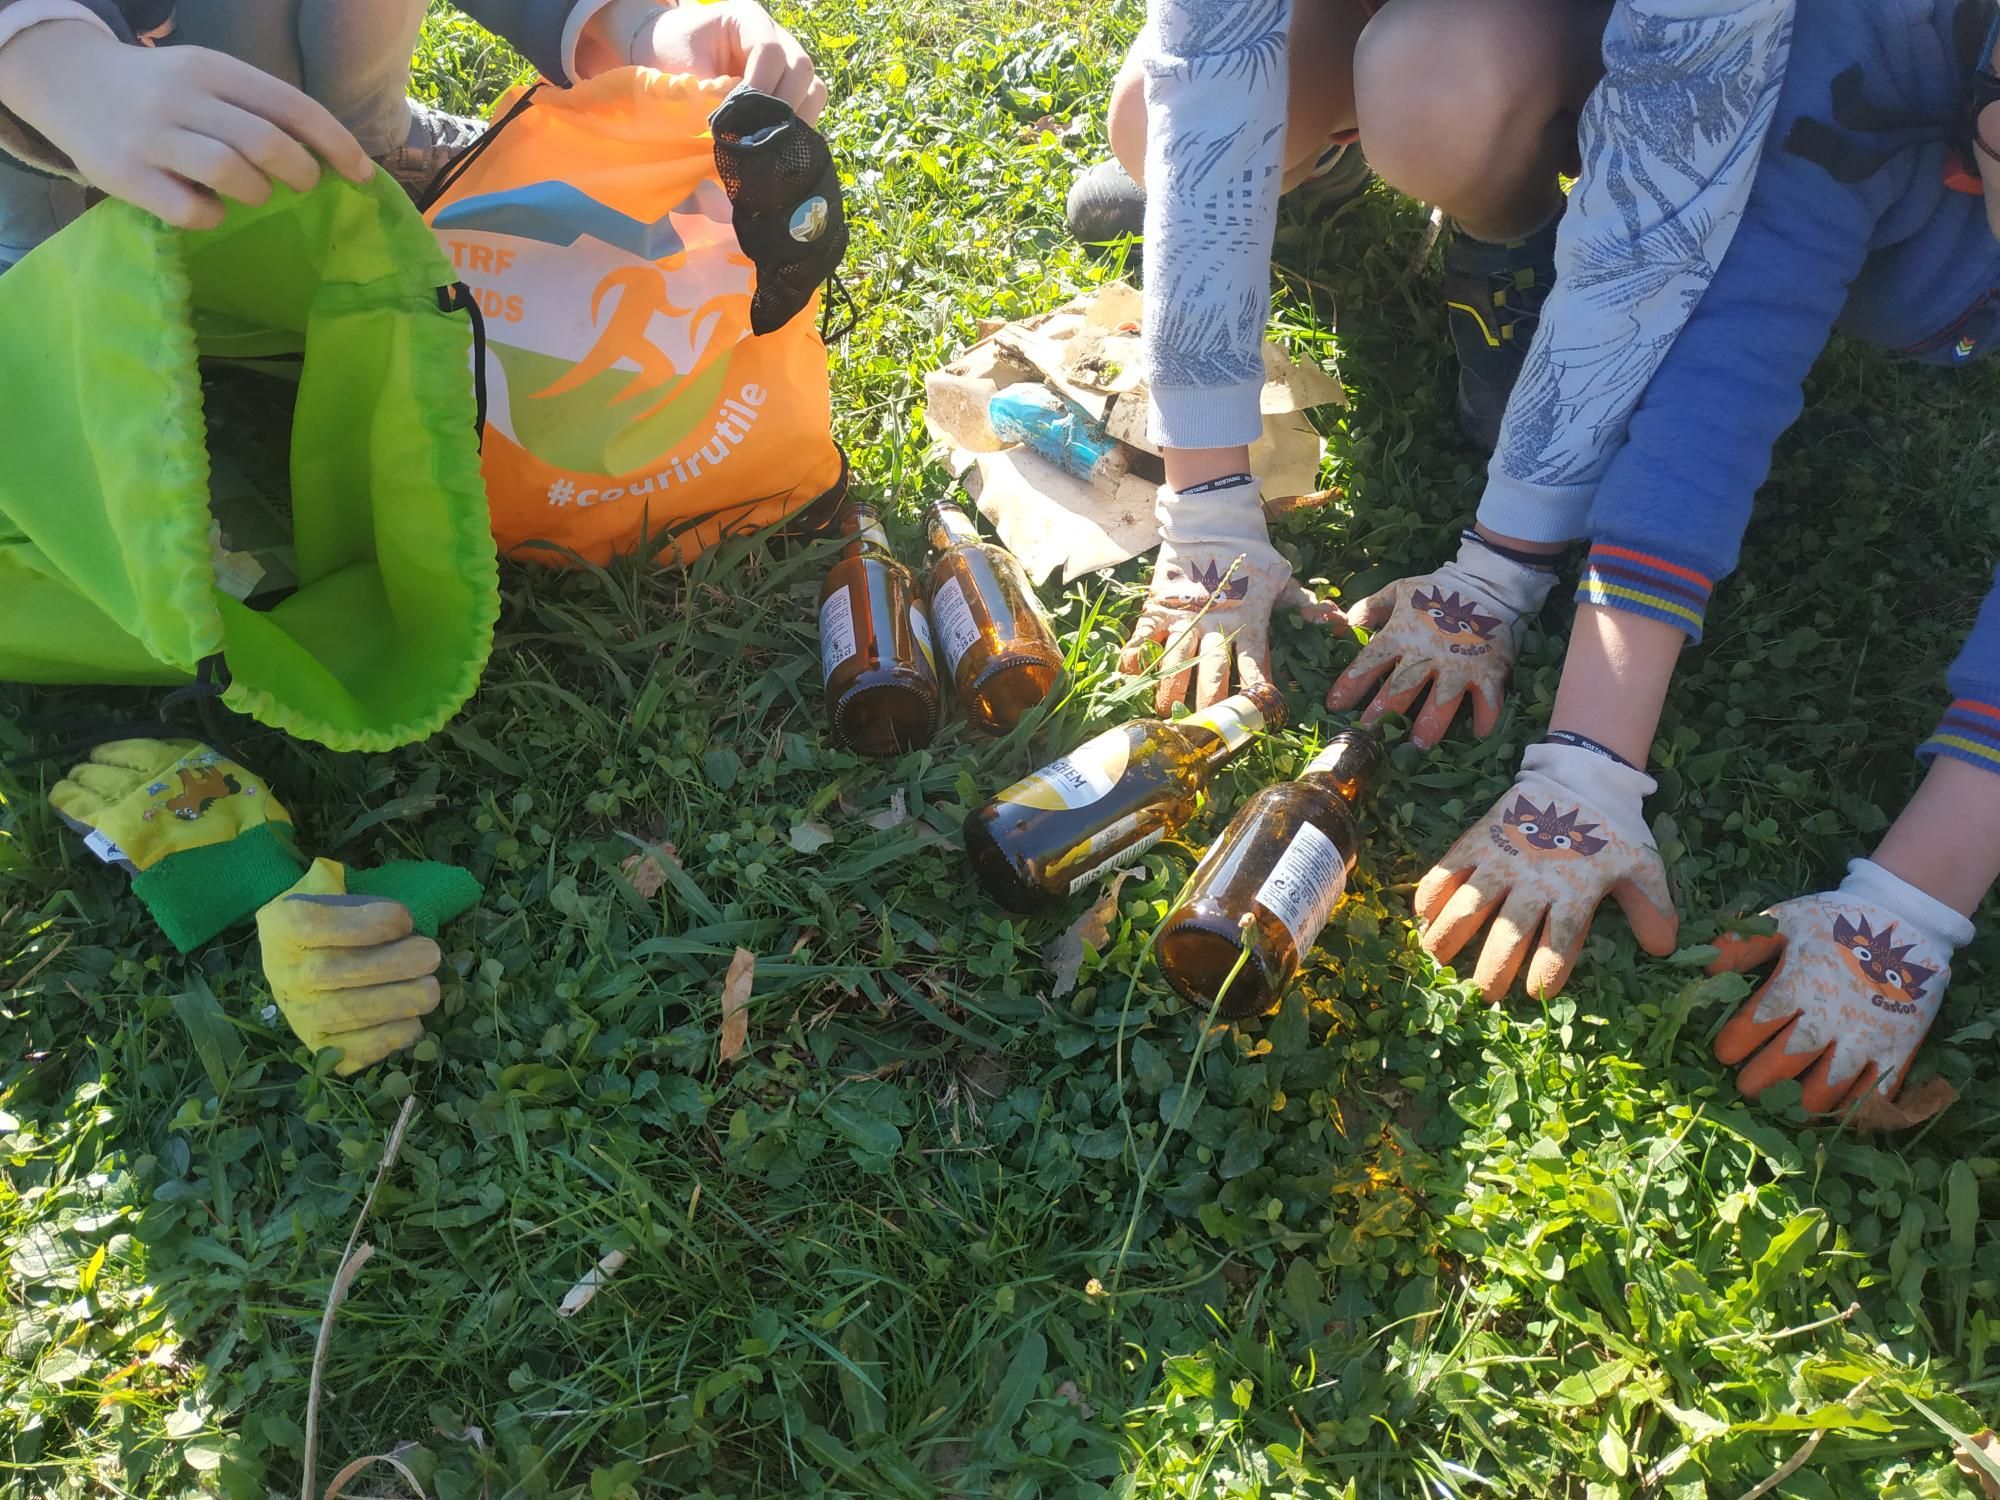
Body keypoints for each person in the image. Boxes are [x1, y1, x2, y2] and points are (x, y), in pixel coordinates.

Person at [1408, 0, 2000, 1122]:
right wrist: (1586, 758)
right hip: (1898, 195)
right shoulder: (1868, 37)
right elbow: (1723, 375)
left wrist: (1920, 900)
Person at [1099, 0, 1795, 722]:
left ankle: (1506, 213)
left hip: (1596, 41)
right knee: (1145, 122)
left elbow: (1659, 200)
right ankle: (1336, 143)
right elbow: (1209, 66)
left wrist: (1508, 564)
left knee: (1433, 93)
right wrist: (1208, 513)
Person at [0, 0, 822, 267]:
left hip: (333, 126)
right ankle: (40, 250)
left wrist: (635, 25)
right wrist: (57, 66)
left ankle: (373, 149)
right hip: (71, 175)